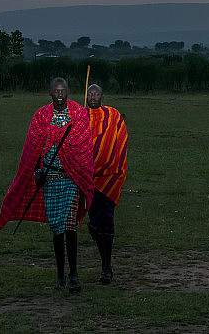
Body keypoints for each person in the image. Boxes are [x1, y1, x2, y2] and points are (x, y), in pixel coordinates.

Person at [0, 78, 94, 293]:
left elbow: (84, 146)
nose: (60, 95)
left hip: (70, 179)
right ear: (50, 93)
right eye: (56, 91)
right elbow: (34, 148)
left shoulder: (78, 114)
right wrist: (39, 170)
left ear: (68, 92)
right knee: (57, 229)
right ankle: (60, 276)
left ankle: (74, 275)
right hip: (50, 180)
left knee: (70, 227)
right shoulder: (40, 116)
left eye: (63, 91)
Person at [86, 84, 129, 284]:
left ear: (102, 96)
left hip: (110, 178)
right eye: (89, 94)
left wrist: (111, 162)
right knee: (94, 224)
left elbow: (120, 141)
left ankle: (106, 266)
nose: (92, 97)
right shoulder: (80, 116)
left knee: (107, 221)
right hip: (88, 179)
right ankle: (104, 261)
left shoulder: (113, 115)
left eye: (96, 94)